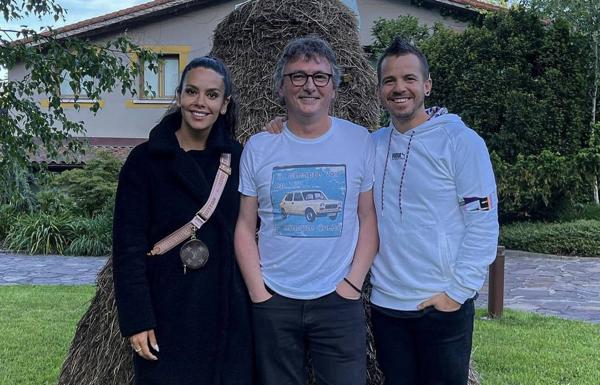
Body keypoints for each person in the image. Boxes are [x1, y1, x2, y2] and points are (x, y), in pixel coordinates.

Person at [234, 36, 378, 385]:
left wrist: (351, 285)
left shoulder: (360, 141)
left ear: (333, 87)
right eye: (297, 76)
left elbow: (368, 219)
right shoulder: (259, 146)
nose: (309, 85)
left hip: (338, 300)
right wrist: (259, 292)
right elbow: (244, 225)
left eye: (320, 77)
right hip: (274, 300)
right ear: (281, 87)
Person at [112, 56, 253, 385]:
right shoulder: (144, 161)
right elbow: (127, 247)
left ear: (224, 104)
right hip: (166, 311)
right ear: (178, 96)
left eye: (212, 95)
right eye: (192, 92)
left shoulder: (241, 157)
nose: (200, 102)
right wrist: (136, 319)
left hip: (228, 312)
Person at [369, 37, 499, 385]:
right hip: (387, 306)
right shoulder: (371, 144)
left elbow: (483, 223)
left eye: (409, 79)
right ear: (380, 88)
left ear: (426, 85)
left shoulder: (461, 142)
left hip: (440, 306)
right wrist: (279, 126)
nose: (400, 88)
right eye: (389, 81)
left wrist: (456, 293)